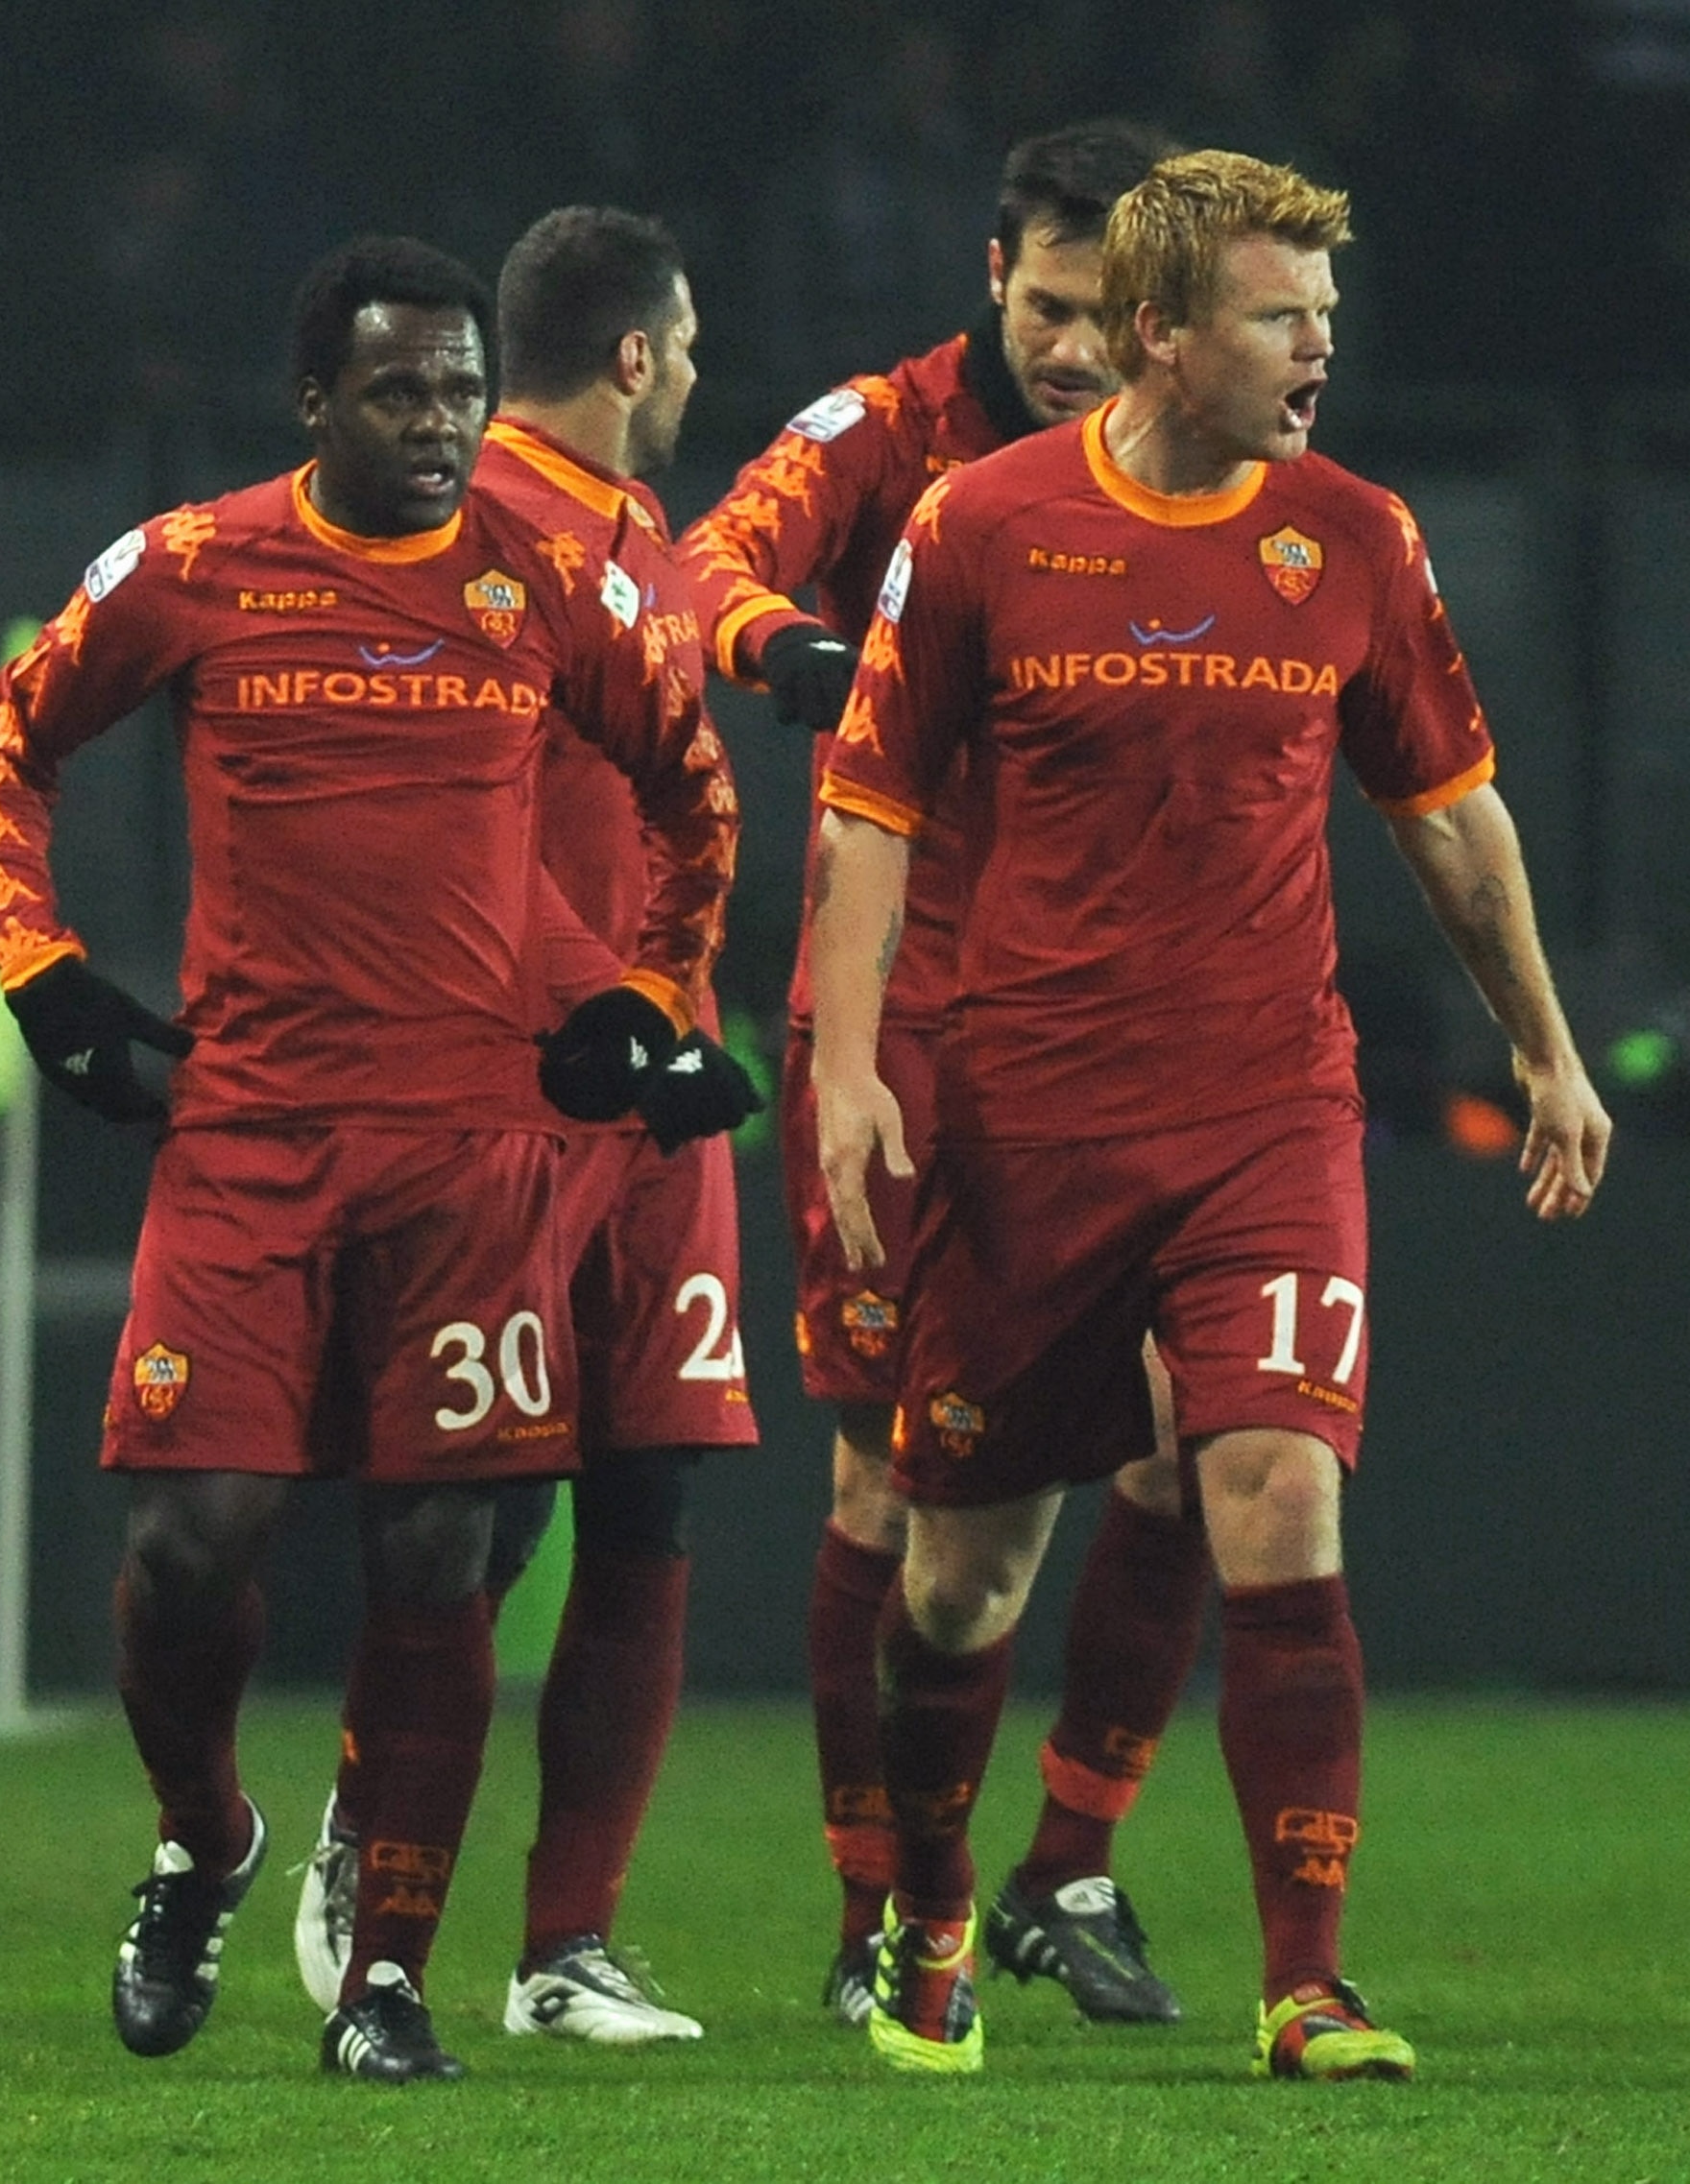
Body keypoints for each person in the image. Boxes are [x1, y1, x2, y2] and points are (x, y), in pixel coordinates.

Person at [808, 150, 1610, 2079]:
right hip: (1027, 1118)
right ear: (1160, 330)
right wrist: (844, 1068)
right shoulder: (983, 525)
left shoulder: (1354, 534)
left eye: (1326, 315)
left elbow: (1450, 818)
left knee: (1277, 1492)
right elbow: (870, 813)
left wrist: (1549, 1045)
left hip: (1268, 1110)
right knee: (963, 1569)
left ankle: (1307, 1978)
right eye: (1278, 314)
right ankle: (928, 1912)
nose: (1318, 346)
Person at [0, 235, 737, 2082]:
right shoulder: (197, 564)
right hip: (249, 1137)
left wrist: (645, 992)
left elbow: (692, 786)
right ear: (315, 403)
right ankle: (203, 1835)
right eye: (402, 394)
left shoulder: (541, 583)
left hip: (472, 1145)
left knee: (439, 1559)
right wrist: (47, 976)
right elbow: (6, 740)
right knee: (187, 1543)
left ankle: (388, 1975)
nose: (443, 426)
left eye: (465, 392)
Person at [678, 119, 1204, 2028]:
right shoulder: (882, 432)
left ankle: (1071, 1861)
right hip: (893, 1009)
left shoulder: (1187, 451)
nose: (1073, 349)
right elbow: (704, 563)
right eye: (1048, 307)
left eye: (1108, 314)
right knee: (890, 1481)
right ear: (994, 272)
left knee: (1181, 1440)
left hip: (1112, 1016)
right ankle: (876, 1906)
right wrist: (805, 656)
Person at [290, 204, 761, 2047]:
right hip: (510, 1088)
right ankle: (370, 1831)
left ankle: (568, 1945)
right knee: (476, 1524)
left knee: (647, 1498)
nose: (700, 374)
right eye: (692, 343)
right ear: (637, 355)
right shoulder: (463, 535)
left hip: (664, 1085)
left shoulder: (639, 537)